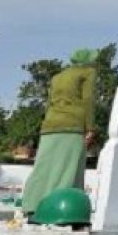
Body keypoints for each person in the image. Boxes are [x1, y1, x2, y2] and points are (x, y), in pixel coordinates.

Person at [22, 49, 97, 214]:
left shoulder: (58, 77)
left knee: (43, 167)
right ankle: (57, 207)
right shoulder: (87, 73)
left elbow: (49, 103)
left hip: (50, 124)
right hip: (73, 124)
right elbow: (88, 100)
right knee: (68, 168)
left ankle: (31, 205)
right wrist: (90, 127)